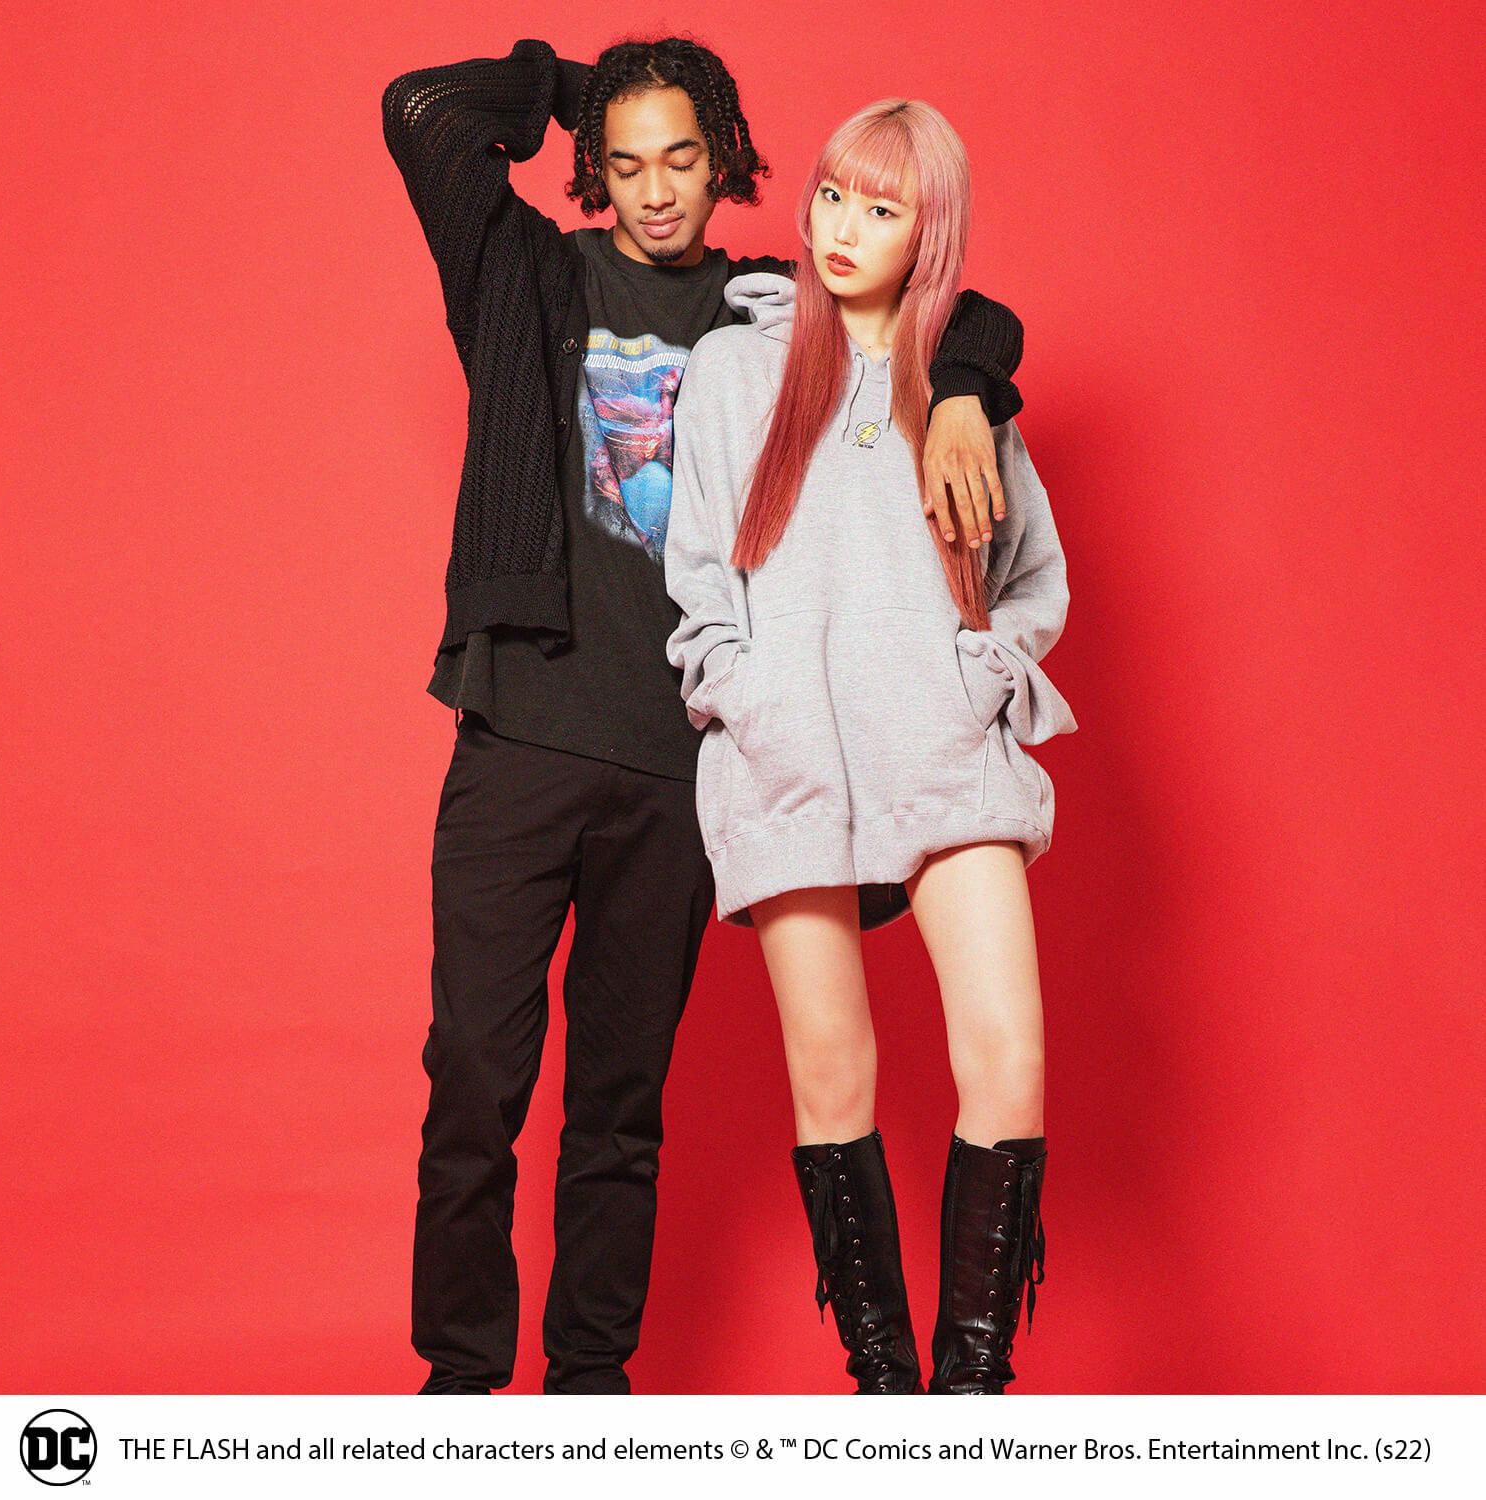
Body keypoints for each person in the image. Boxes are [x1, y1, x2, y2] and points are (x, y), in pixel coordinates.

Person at [382, 35, 1029, 1394]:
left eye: (683, 157)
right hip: (521, 732)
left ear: (723, 160)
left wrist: (972, 390)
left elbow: (944, 302)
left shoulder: (770, 312)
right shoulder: (530, 276)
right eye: (624, 164)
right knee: (476, 1082)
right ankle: (458, 1389)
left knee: (619, 1108)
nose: (656, 189)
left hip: (682, 762)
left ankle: (590, 1389)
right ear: (595, 170)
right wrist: (584, 92)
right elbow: (424, 113)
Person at [664, 98, 1077, 1394]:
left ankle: (970, 1402)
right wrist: (745, 698)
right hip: (783, 760)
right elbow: (700, 579)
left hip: (939, 749)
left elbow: (1031, 579)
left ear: (927, 232)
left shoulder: (963, 383)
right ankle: (887, 1396)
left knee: (1007, 1054)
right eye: (834, 195)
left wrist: (973, 681)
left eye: (883, 208)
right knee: (833, 1072)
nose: (843, 228)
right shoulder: (734, 370)